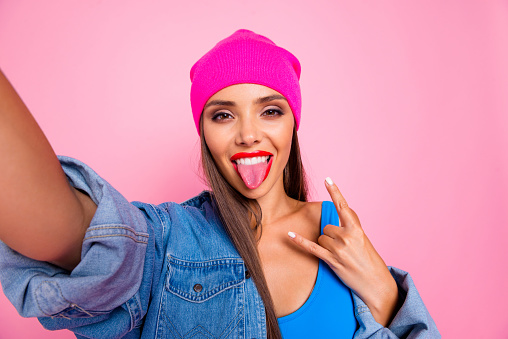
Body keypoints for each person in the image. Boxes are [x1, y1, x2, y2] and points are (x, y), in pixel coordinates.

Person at [0, 29, 440, 338]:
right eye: (223, 114)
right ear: (204, 132)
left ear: (293, 124)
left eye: (270, 110)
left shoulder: (343, 238)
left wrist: (384, 291)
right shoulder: (170, 240)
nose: (248, 133)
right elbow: (67, 225)